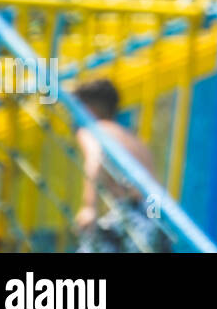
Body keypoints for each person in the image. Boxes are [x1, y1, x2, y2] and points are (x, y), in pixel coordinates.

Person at [73, 78, 171, 252]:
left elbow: (95, 160)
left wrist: (89, 207)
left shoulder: (94, 129)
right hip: (154, 212)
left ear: (88, 108)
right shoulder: (134, 139)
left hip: (132, 210)